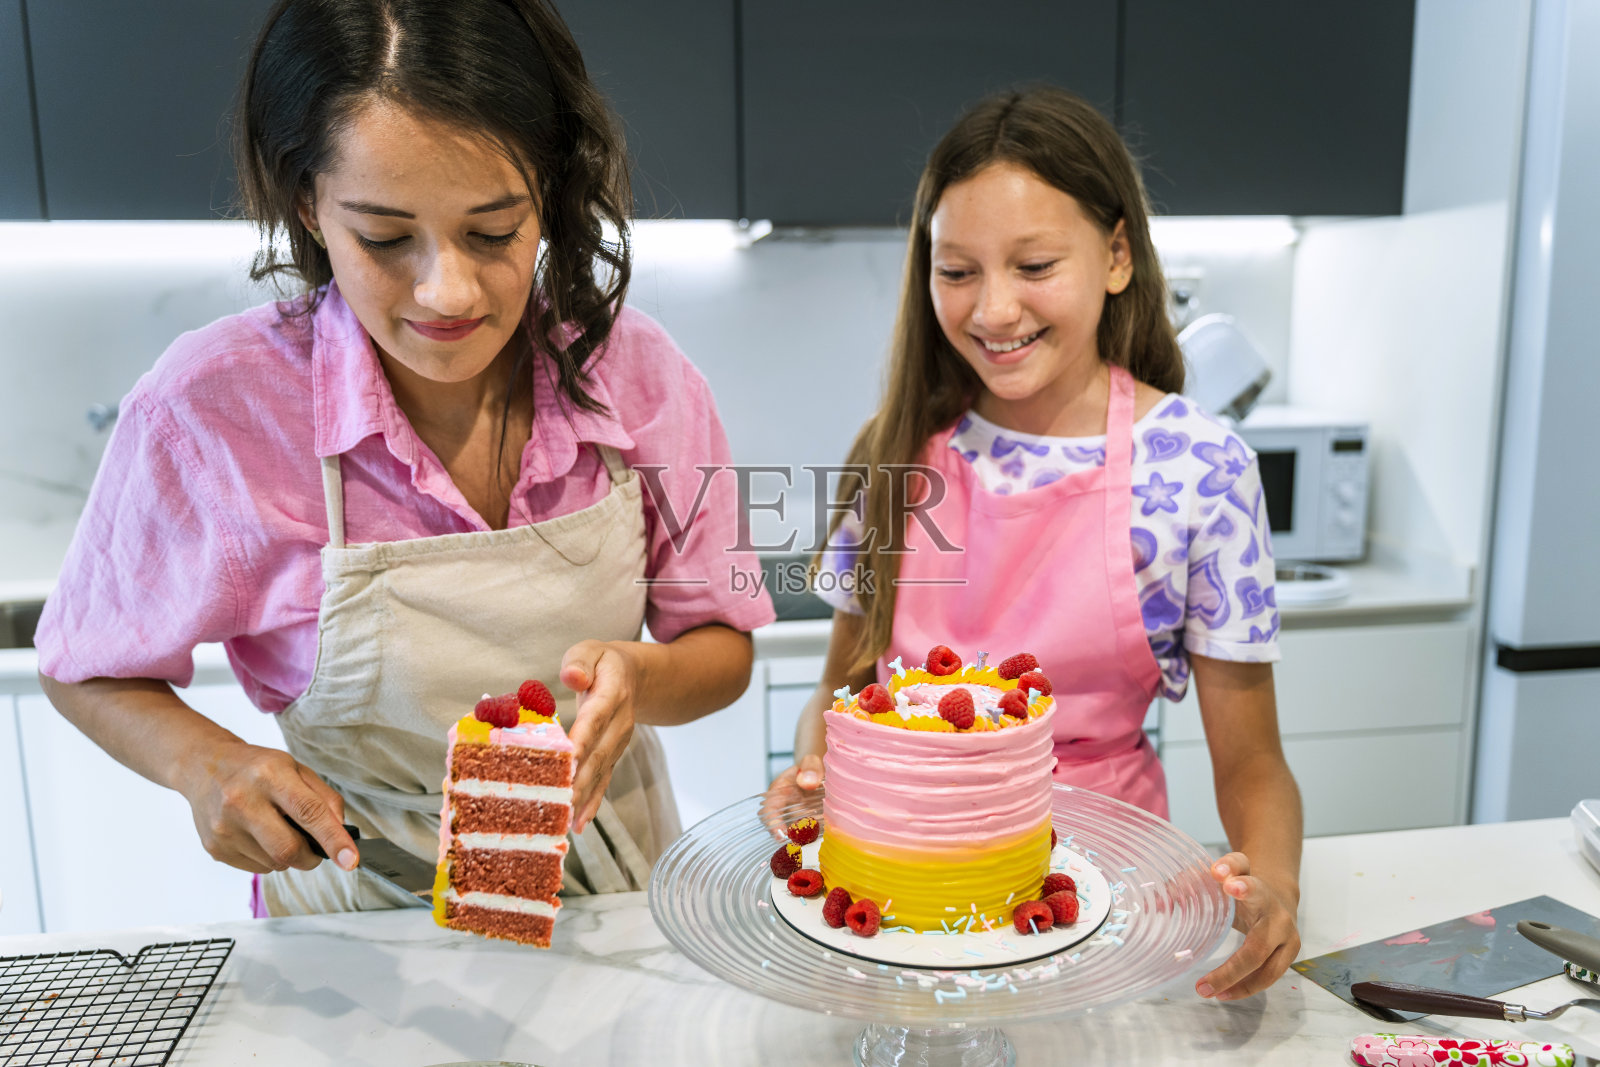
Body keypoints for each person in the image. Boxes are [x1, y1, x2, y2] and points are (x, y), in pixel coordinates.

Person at [34, 0, 773, 915]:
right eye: (385, 238)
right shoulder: (212, 409)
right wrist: (207, 764)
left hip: (606, 890)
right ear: (307, 201)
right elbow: (85, 664)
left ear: (549, 190)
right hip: (364, 908)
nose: (447, 289)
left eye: (495, 232)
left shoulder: (640, 373)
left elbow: (723, 643)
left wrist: (645, 678)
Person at [766, 87, 1302, 1001]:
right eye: (959, 270)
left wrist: (1277, 886)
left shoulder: (1200, 469)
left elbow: (1251, 759)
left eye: (1035, 264)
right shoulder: (895, 452)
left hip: (1116, 918)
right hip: (910, 919)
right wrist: (814, 769)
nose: (994, 309)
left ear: (1119, 255)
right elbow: (840, 691)